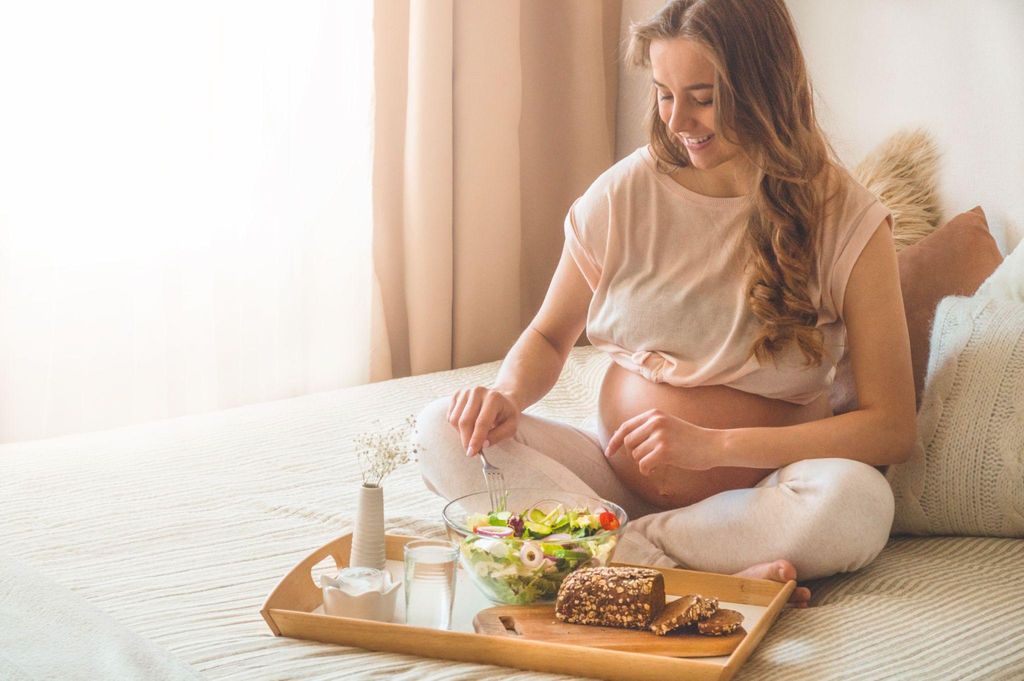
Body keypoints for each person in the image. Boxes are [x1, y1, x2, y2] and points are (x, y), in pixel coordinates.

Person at [413, 0, 915, 607]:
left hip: (753, 498)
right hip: (613, 479)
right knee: (442, 427)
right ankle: (669, 571)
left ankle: (603, 551)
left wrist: (716, 446)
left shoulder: (846, 219)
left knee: (855, 505)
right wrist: (506, 396)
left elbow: (891, 428)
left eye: (702, 96)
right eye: (663, 94)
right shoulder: (626, 193)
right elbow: (549, 336)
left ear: (762, 86)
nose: (679, 121)